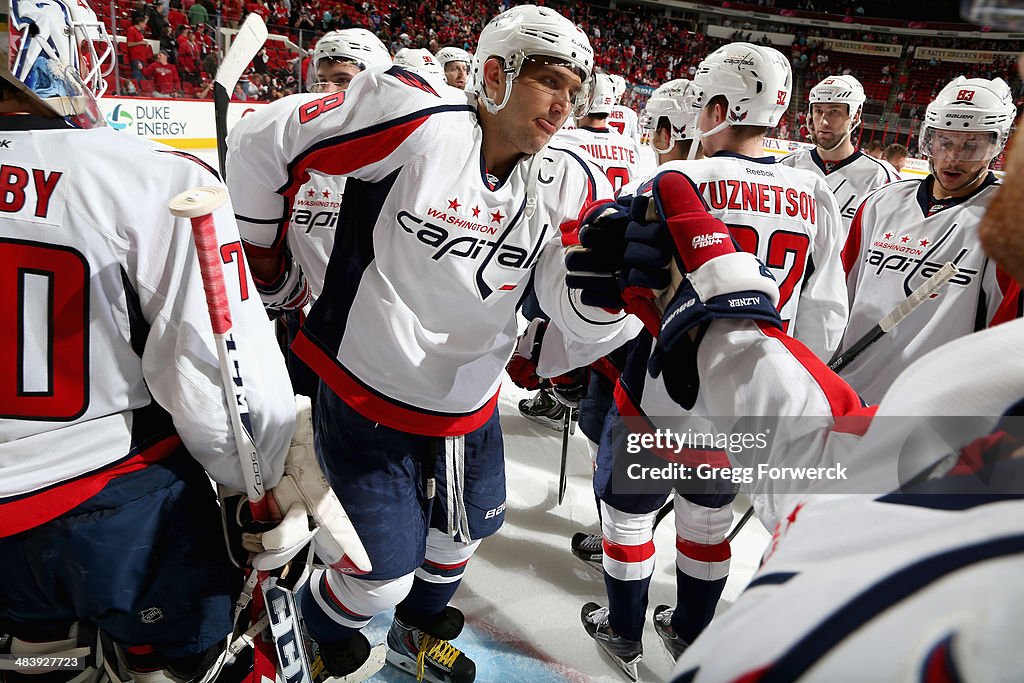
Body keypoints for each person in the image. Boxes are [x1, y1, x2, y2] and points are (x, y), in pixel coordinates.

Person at [226, 6, 639, 682]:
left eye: (574, 89)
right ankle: (278, 649)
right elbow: (259, 142)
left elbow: (572, 314)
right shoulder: (416, 119)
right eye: (548, 81)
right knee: (378, 574)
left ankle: (407, 640)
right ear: (496, 74)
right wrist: (267, 266)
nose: (563, 103)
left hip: (469, 404)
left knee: (464, 535)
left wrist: (614, 297)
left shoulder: (572, 180)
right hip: (366, 392)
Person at [0, 0, 302, 680]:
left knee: (36, 652)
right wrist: (256, 485)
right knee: (191, 655)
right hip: (104, 512)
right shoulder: (148, 175)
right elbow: (226, 393)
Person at [571, 43, 848, 680]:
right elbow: (825, 315)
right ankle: (692, 631)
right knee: (709, 517)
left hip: (663, 386)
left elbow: (625, 294)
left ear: (718, 107)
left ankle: (623, 631)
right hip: (753, 393)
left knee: (628, 514)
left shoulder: (678, 181)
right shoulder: (814, 191)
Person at [838, 76, 1023, 404]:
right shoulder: (879, 204)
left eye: (971, 146)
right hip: (846, 394)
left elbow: (1006, 331)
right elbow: (837, 298)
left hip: (930, 411)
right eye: (945, 142)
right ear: (929, 140)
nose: (953, 159)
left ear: (995, 146)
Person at [517, 73, 644, 430]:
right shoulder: (634, 146)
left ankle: (555, 395)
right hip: (612, 257)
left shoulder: (564, 140)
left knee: (552, 327)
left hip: (567, 250)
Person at [779, 74, 898, 232]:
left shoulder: (881, 178)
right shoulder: (785, 167)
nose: (823, 122)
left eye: (834, 111)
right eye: (818, 110)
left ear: (855, 115)